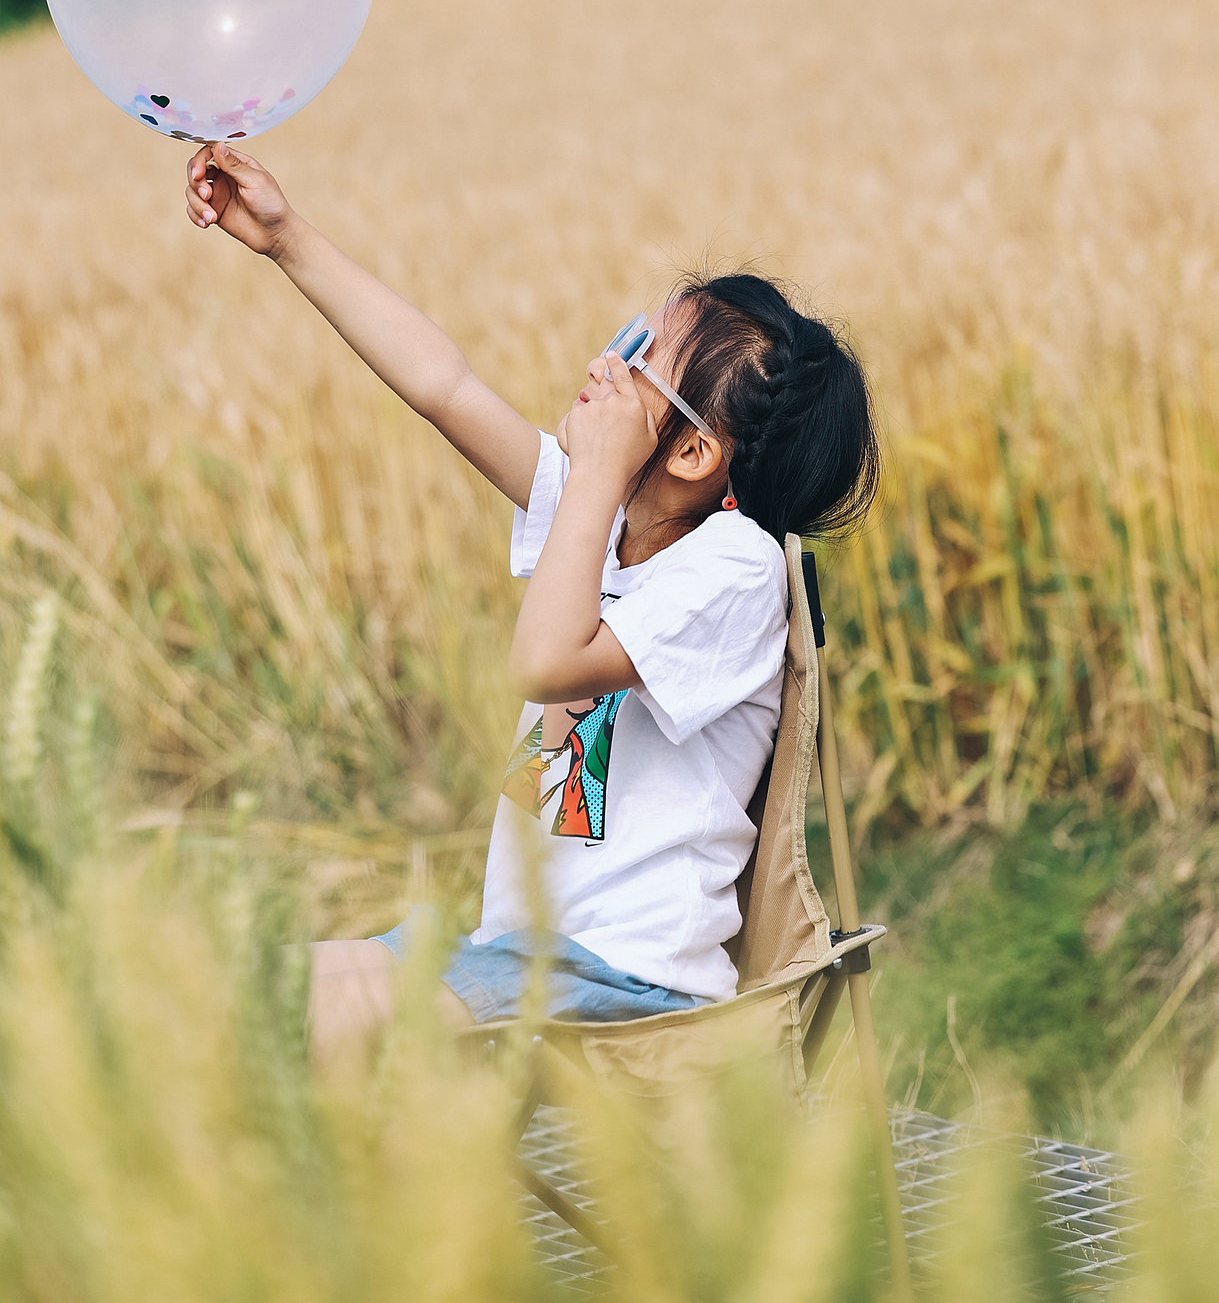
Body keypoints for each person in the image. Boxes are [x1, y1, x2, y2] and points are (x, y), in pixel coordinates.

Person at [184, 141, 880, 1065]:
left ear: (691, 454)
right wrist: (284, 238)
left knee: (302, 1028)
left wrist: (590, 479)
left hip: (619, 973)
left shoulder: (735, 569)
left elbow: (547, 661)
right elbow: (446, 387)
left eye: (638, 359)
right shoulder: (615, 515)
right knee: (223, 989)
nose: (603, 358)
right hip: (505, 954)